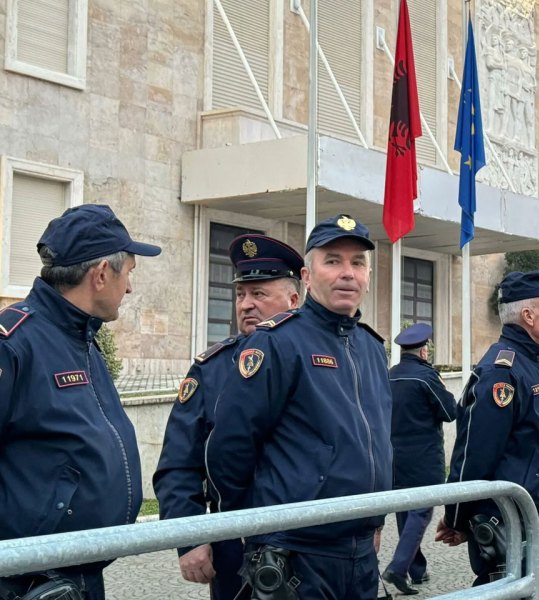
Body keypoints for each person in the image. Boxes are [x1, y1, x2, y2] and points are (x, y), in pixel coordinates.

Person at [205, 214, 391, 600]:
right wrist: (261, 527)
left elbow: (379, 442)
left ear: (369, 275)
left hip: (359, 551)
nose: (347, 273)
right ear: (306, 276)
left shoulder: (372, 349)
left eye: (358, 263)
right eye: (333, 260)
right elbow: (230, 447)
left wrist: (376, 519)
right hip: (296, 554)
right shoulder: (277, 343)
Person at [0, 204, 161, 599]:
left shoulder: (82, 339)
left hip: (76, 576)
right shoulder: (16, 342)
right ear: (102, 274)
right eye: (129, 274)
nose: (130, 288)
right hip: (26, 582)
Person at [153, 234, 302, 599]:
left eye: (259, 294)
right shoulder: (212, 368)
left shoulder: (319, 363)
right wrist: (188, 539)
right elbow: (178, 462)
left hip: (311, 541)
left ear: (294, 300)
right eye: (241, 295)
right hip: (235, 544)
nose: (246, 305)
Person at [436, 270, 539, 586]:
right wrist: (457, 517)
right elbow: (475, 453)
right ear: (528, 315)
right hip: (505, 522)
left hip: (526, 518)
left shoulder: (525, 362)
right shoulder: (502, 371)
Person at [382, 323, 458, 595]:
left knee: (406, 512)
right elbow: (450, 412)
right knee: (420, 512)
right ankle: (398, 568)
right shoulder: (427, 377)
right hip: (424, 459)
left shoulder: (389, 375)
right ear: (424, 350)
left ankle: (417, 569)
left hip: (394, 458)